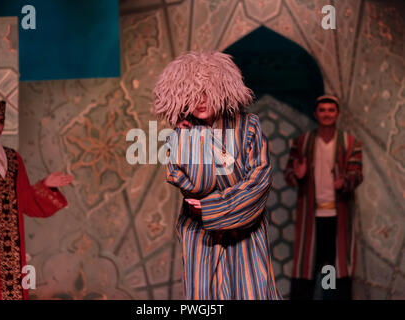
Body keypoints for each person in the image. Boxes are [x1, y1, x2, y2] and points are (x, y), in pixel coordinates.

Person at [152, 51, 281, 300]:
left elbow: (260, 179)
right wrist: (192, 139)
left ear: (224, 89)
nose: (201, 100)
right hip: (199, 234)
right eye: (192, 93)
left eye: (208, 91)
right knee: (204, 297)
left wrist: (213, 206)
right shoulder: (180, 136)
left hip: (247, 232)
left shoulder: (249, 126)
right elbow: (196, 183)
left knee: (251, 290)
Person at [0, 99, 73, 300]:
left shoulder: (14, 158)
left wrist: (46, 184)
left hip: (13, 242)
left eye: (0, 121)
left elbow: (26, 200)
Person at [284, 95, 363, 300]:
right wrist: (298, 175)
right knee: (307, 262)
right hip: (310, 215)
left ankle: (328, 298)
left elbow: (356, 174)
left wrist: (344, 182)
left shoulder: (349, 143)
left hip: (337, 216)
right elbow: (289, 173)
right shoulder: (303, 142)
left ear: (337, 114)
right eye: (322, 110)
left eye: (331, 110)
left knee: (332, 264)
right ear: (316, 114)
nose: (327, 114)